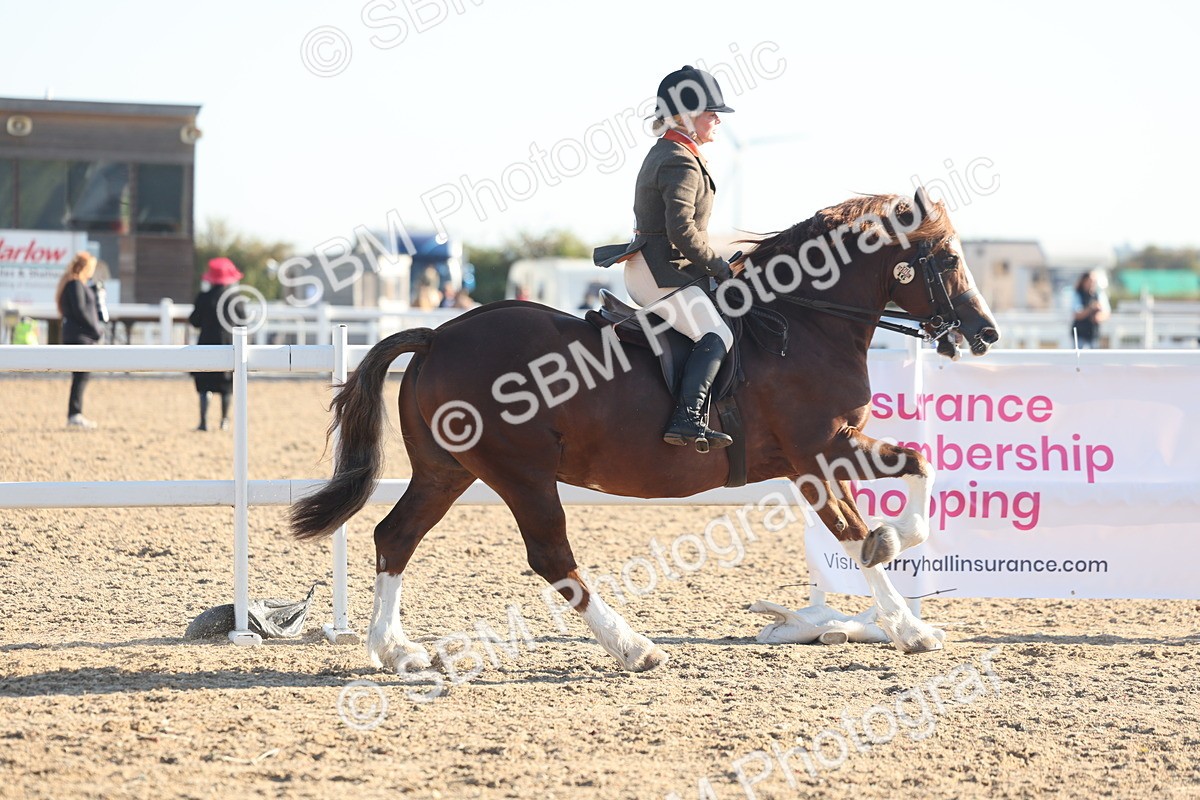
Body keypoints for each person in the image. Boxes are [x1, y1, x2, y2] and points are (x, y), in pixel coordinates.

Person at [593, 65, 736, 451]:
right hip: (658, 272)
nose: (718, 119)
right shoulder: (679, 159)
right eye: (711, 112)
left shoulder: (676, 152)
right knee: (716, 334)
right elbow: (682, 231)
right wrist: (719, 267)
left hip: (662, 267)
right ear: (686, 116)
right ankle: (686, 419)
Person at [189, 257, 243, 431]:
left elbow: (194, 321)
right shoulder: (235, 299)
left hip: (205, 344)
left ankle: (203, 422)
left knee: (205, 384)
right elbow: (243, 323)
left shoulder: (203, 297)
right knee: (226, 386)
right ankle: (224, 421)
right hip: (228, 346)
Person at [56, 251, 105, 428]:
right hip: (80, 336)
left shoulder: (74, 284)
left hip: (78, 335)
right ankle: (75, 413)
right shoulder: (75, 284)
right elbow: (80, 310)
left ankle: (75, 413)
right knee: (81, 376)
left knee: (81, 375)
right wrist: (95, 330)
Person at [1071, 270, 1110, 349]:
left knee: (1094, 355)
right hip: (1080, 333)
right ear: (1084, 281)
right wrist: (1091, 308)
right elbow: (1077, 314)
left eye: (1094, 281)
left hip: (1094, 334)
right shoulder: (1078, 294)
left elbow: (1107, 313)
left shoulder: (1099, 294)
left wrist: (1098, 317)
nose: (1092, 283)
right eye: (1090, 281)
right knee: (1079, 356)